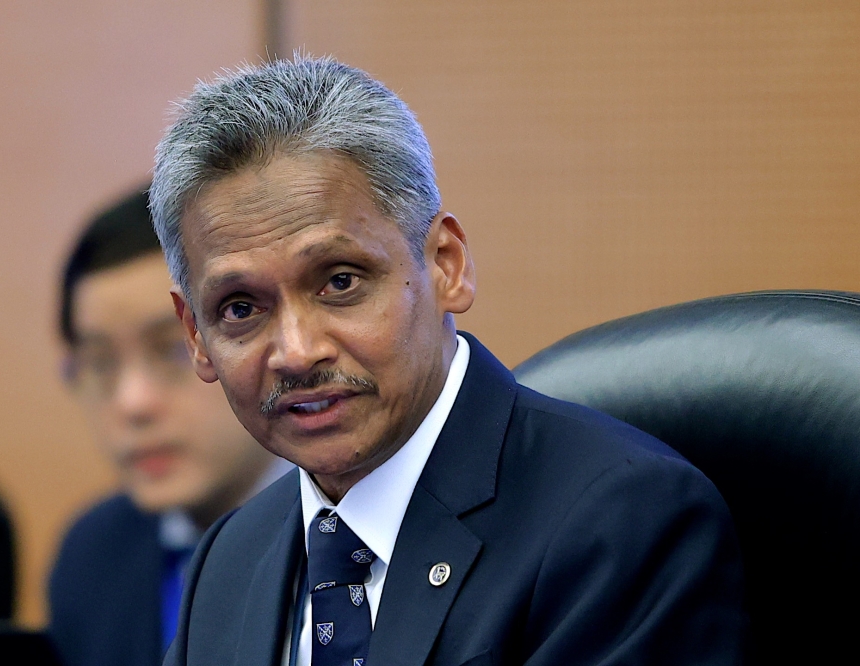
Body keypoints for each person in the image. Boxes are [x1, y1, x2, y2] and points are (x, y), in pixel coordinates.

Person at [151, 57, 747, 666]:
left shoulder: (619, 524)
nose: (297, 352)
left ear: (445, 265)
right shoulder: (228, 560)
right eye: (241, 308)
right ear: (196, 335)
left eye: (340, 281)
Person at [47, 188, 291, 666]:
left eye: (173, 350)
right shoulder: (93, 555)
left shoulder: (353, 539)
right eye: (99, 364)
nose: (133, 403)